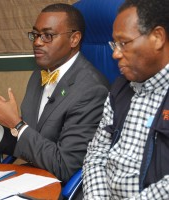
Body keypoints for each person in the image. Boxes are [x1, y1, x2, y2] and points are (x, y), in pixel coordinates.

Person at [0, 2, 109, 193]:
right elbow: (30, 143)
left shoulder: (92, 90)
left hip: (63, 189)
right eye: (36, 35)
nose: (37, 42)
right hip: (33, 179)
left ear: (74, 39)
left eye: (48, 36)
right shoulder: (39, 74)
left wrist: (17, 124)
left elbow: (66, 167)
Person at [83, 0, 169, 199]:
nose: (115, 53)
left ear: (158, 37)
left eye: (124, 43)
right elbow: (96, 154)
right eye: (114, 44)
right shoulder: (120, 88)